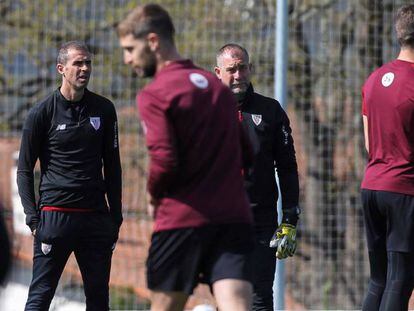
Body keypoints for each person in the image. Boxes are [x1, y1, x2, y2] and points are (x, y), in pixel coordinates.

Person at [117, 4, 254, 311]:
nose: (127, 59)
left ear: (152, 41)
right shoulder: (218, 91)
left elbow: (165, 160)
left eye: (129, 49)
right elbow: (247, 152)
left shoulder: (156, 94)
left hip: (182, 221)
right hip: (232, 218)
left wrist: (153, 195)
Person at [17, 41, 122, 311]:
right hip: (55, 216)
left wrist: (115, 218)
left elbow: (113, 167)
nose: (85, 68)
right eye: (78, 63)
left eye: (88, 62)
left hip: (95, 218)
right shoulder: (41, 113)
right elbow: (25, 170)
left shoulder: (104, 110)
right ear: (61, 68)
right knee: (40, 298)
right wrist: (33, 219)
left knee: (99, 300)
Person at [215, 44, 300, 311]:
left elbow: (287, 167)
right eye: (231, 69)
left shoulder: (271, 110)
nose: (238, 75)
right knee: (227, 297)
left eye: (243, 68)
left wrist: (289, 219)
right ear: (218, 72)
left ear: (249, 69)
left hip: (262, 222)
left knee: (261, 297)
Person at [361, 5, 414, 311]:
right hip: (404, 189)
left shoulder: (374, 79)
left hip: (373, 185)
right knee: (401, 279)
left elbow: (370, 143)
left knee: (378, 279)